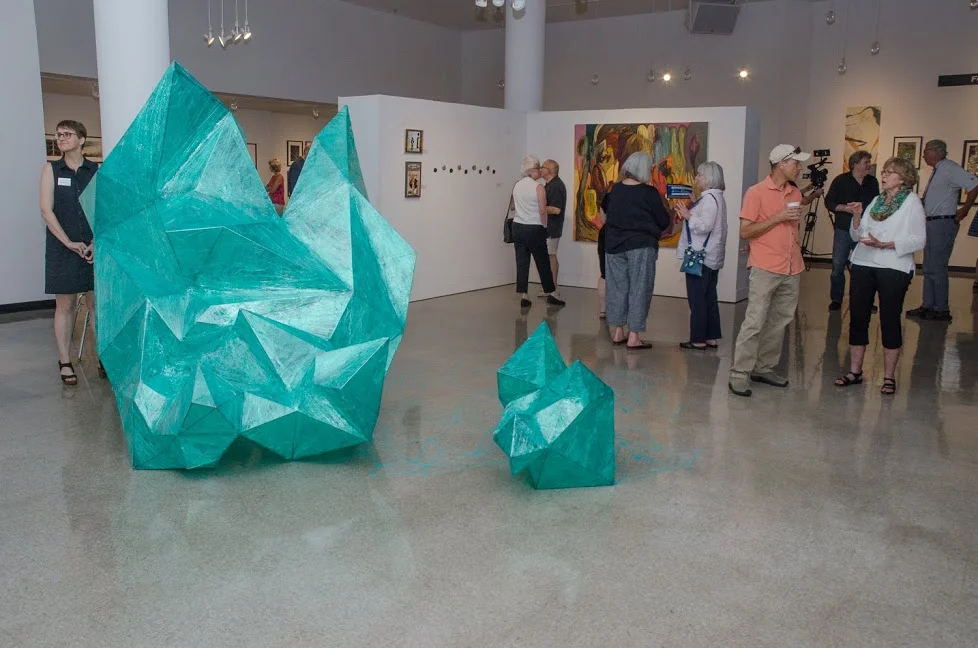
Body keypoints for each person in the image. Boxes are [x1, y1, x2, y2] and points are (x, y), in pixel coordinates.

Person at [834, 157, 925, 395]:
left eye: (889, 172)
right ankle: (855, 371)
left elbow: (919, 240)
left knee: (889, 319)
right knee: (858, 317)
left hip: (894, 267)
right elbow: (858, 235)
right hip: (863, 263)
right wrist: (856, 215)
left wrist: (886, 244)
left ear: (903, 178)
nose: (883, 175)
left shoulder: (912, 202)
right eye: (883, 171)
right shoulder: (876, 200)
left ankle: (888, 377)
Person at [728, 144, 809, 398]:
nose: (800, 167)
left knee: (779, 321)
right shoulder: (756, 193)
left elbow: (792, 229)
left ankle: (764, 367)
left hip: (792, 267)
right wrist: (779, 217)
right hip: (765, 267)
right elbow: (745, 231)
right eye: (796, 163)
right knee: (755, 321)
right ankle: (739, 373)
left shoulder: (795, 192)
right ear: (781, 164)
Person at [39, 120, 100, 385]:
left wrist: (95, 242)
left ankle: (103, 358)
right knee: (65, 305)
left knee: (96, 304)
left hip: (92, 248)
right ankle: (65, 361)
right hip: (62, 248)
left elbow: (103, 210)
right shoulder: (51, 170)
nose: (61, 138)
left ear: (82, 139)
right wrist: (68, 243)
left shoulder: (95, 170)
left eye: (67, 134)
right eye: (58, 134)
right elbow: (46, 211)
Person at [603, 151, 671, 350]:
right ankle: (634, 336)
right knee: (640, 289)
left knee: (616, 289)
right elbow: (663, 221)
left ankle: (617, 332)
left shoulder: (615, 190)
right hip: (641, 245)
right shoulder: (649, 193)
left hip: (614, 245)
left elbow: (607, 216)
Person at [906, 139, 978, 321]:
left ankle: (941, 309)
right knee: (929, 266)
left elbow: (974, 184)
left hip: (942, 223)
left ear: (934, 151)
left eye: (925, 151)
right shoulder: (938, 170)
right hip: (932, 223)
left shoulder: (949, 168)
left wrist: (965, 209)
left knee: (937, 267)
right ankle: (928, 305)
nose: (923, 155)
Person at [675, 161, 729, 350]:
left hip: (700, 256)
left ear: (709, 178)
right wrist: (694, 203)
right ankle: (710, 336)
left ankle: (698, 339)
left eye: (700, 175)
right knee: (709, 297)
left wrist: (687, 214)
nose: (696, 178)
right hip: (712, 256)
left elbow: (704, 226)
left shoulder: (709, 200)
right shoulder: (716, 198)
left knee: (697, 298)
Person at [824, 150, 880, 310]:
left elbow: (876, 204)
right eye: (866, 162)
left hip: (864, 230)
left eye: (869, 162)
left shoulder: (872, 182)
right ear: (855, 164)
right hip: (843, 229)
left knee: (863, 268)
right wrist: (844, 208)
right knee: (837, 266)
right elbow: (829, 202)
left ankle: (864, 300)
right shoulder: (840, 180)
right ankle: (836, 299)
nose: (869, 165)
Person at [511, 156, 565, 309]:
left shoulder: (517, 185)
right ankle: (551, 293)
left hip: (518, 227)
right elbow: (542, 210)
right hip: (534, 228)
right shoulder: (538, 187)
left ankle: (524, 296)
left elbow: (513, 207)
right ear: (532, 170)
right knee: (542, 262)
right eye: (538, 168)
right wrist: (544, 226)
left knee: (522, 262)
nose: (540, 170)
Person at [539, 159, 566, 299]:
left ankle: (553, 288)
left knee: (551, 256)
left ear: (549, 170)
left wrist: (538, 207)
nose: (540, 169)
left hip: (552, 228)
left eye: (542, 167)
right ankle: (549, 287)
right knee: (548, 256)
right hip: (548, 228)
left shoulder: (556, 186)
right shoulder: (550, 185)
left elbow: (556, 209)